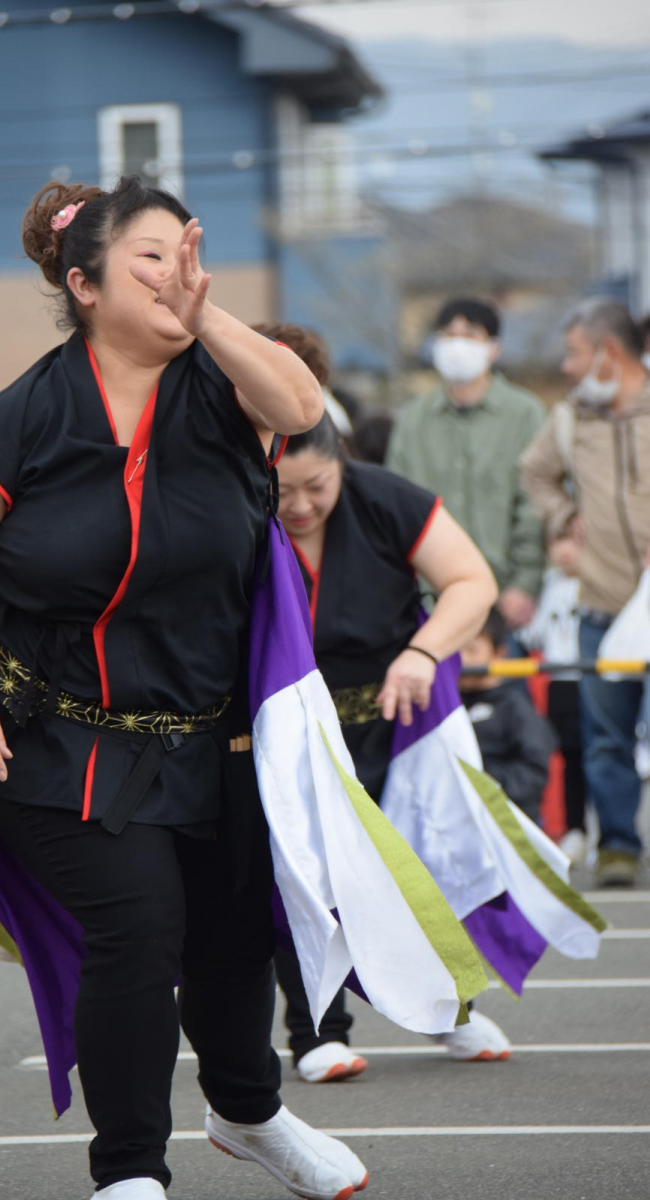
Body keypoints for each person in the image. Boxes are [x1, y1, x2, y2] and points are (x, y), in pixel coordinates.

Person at [0, 176, 381, 1200]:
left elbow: (303, 405)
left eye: (184, 251)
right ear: (83, 285)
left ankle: (248, 1115)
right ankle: (128, 1174)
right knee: (136, 927)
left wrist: (208, 317)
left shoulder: (225, 386)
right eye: (148, 258)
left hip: (212, 739)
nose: (174, 273)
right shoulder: (23, 416)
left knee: (235, 937)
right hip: (56, 742)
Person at [271, 390, 512, 1081]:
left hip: (398, 716)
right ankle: (317, 1033)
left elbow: (471, 582)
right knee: (308, 877)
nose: (301, 506)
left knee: (423, 866)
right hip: (295, 730)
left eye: (316, 486)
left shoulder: (384, 499)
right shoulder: (238, 510)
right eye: (282, 491)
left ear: (341, 463)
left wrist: (425, 651)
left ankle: (450, 1008)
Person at [520, 297, 650, 887]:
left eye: (575, 353)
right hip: (601, 603)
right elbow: (535, 472)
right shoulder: (573, 417)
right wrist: (562, 517)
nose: (568, 367)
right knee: (604, 738)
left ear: (609, 352)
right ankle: (619, 845)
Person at [387, 296, 546, 631]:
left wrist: (524, 584)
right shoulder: (412, 419)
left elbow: (533, 504)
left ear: (494, 348)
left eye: (470, 334)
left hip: (503, 598)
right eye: (448, 334)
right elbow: (395, 507)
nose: (457, 344)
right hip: (429, 597)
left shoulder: (525, 413)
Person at [519, 535, 588, 863]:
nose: (565, 549)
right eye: (557, 540)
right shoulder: (547, 585)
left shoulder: (603, 582)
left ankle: (617, 836)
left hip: (599, 675)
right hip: (560, 679)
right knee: (570, 755)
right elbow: (533, 632)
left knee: (607, 754)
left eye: (572, 540)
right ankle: (577, 829)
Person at [459, 608, 556, 826]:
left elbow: (534, 773)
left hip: (508, 824)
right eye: (455, 650)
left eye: (472, 650)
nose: (462, 660)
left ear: (499, 654)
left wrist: (480, 783)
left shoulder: (516, 706)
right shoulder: (444, 707)